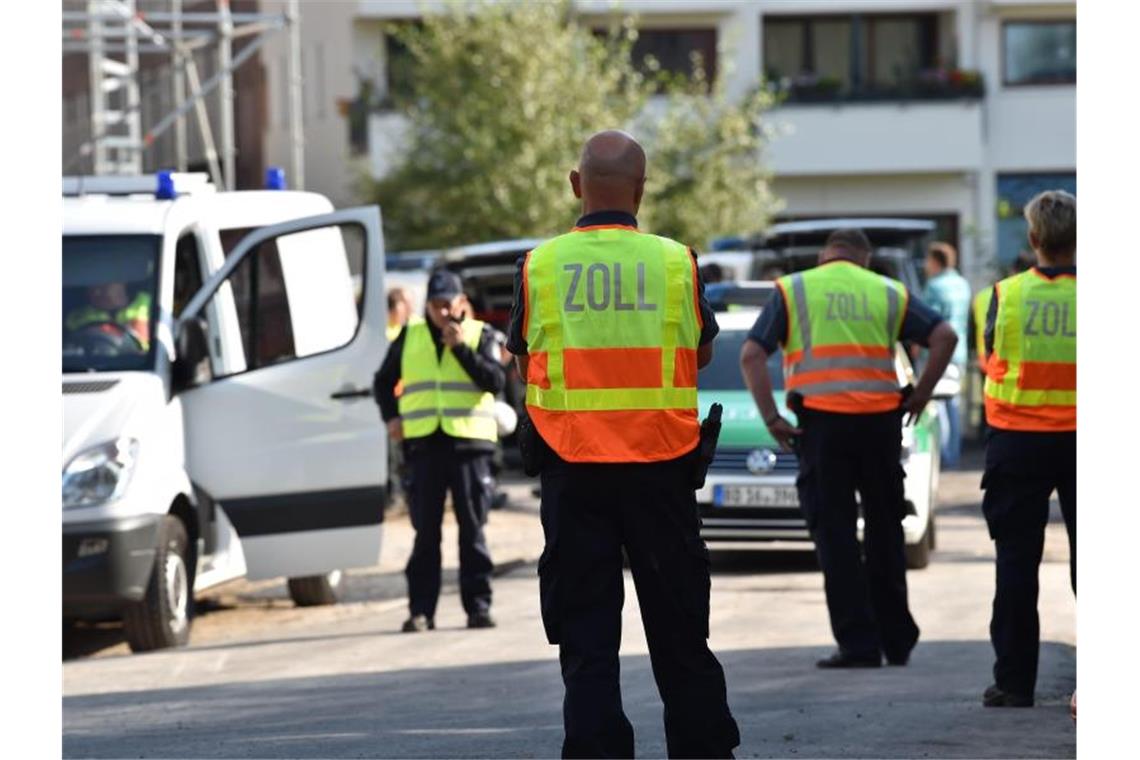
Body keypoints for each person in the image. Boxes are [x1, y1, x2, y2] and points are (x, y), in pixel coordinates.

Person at [507, 130, 739, 758]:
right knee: (680, 633)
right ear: (641, 188)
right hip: (659, 466)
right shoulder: (675, 261)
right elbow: (703, 350)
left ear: (575, 185)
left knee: (587, 640)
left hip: (572, 468)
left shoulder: (540, 264)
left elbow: (523, 361)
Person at [740, 228, 958, 668]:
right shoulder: (888, 291)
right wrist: (921, 393)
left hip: (822, 431)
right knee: (884, 531)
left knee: (835, 534)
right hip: (879, 427)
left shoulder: (794, 289)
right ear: (864, 258)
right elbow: (946, 337)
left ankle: (858, 644)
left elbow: (750, 355)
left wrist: (772, 419)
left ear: (825, 256)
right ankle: (896, 640)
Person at [980, 190, 1076, 708]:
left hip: (1018, 441)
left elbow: (990, 358)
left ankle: (1015, 683)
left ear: (1033, 239)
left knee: (1017, 564)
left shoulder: (1006, 294)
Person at [373, 270, 505, 632]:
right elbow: (383, 382)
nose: (444, 312)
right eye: (437, 306)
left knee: (472, 531)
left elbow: (495, 381)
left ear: (462, 303)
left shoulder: (480, 334)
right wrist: (391, 418)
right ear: (427, 307)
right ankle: (421, 611)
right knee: (425, 534)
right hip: (425, 447)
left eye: (450, 304)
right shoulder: (409, 336)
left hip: (469, 446)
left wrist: (460, 347)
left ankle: (478, 607)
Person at [920, 242, 972, 469]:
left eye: (928, 260)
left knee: (938, 404)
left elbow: (927, 321)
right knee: (953, 404)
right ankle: (954, 453)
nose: (925, 265)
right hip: (958, 352)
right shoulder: (963, 284)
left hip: (939, 352)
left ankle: (942, 456)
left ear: (936, 261)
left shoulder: (934, 286)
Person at [65, 281, 152, 350]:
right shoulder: (78, 316)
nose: (96, 291)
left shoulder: (151, 304)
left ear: (122, 280)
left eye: (103, 283)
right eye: (91, 285)